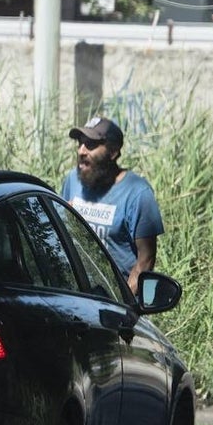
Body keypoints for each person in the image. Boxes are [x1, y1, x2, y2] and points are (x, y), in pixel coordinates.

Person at [60, 115, 163, 296]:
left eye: (91, 144)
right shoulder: (72, 180)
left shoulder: (138, 193)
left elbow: (145, 259)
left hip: (114, 301)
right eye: (80, 143)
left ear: (113, 151)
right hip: (76, 295)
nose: (81, 151)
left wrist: (123, 303)